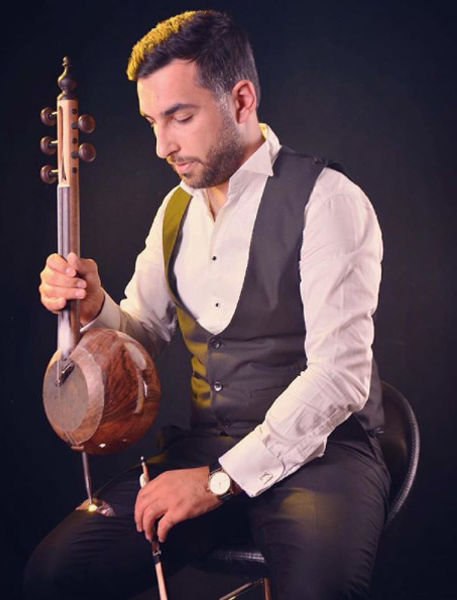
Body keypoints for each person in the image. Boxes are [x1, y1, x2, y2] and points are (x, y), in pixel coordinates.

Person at [26, 9, 390, 600]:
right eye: (152, 122)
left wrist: (219, 481)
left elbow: (339, 378)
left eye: (181, 117)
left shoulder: (327, 200)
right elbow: (141, 336)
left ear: (241, 100)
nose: (162, 145)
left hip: (323, 455)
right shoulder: (175, 209)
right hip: (206, 448)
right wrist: (95, 308)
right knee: (54, 575)